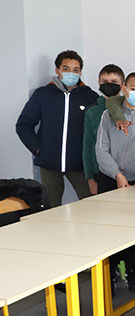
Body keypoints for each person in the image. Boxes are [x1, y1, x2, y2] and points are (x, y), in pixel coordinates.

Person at [95, 72, 135, 292]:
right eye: (134, 88)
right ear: (124, 89)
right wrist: (117, 175)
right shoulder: (107, 116)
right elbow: (101, 150)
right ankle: (110, 273)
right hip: (110, 180)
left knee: (132, 231)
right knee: (109, 230)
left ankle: (131, 271)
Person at [16, 50, 98, 206]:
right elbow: (23, 125)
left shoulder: (90, 97)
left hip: (79, 164)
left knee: (92, 203)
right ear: (57, 70)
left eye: (75, 70)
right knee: (50, 206)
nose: (71, 73)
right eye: (66, 69)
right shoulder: (43, 94)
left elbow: (97, 130)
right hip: (49, 163)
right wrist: (38, 148)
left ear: (80, 72)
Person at [84, 64, 125, 195]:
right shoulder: (92, 111)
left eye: (114, 82)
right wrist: (90, 177)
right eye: (105, 82)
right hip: (100, 172)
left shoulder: (129, 109)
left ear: (122, 85)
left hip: (127, 172)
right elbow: (87, 145)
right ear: (99, 83)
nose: (109, 85)